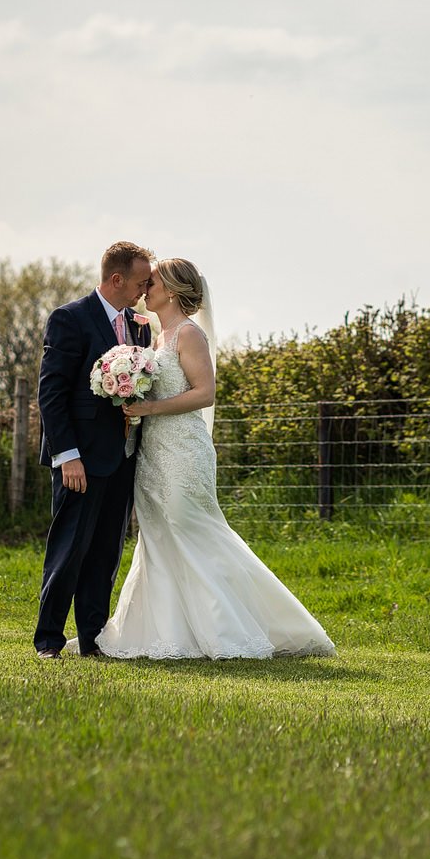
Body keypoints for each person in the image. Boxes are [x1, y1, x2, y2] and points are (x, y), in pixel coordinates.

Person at [95, 257, 336, 659]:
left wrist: (151, 410)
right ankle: (166, 633)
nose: (145, 287)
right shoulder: (155, 338)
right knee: (158, 537)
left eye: (152, 282)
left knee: (193, 533)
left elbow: (204, 393)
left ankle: (231, 629)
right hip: (153, 453)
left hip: (183, 453)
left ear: (171, 290)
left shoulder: (188, 335)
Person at [32, 241, 156, 658]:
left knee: (105, 553)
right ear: (116, 279)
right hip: (79, 460)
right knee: (69, 550)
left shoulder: (139, 326)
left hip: (122, 456)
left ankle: (93, 640)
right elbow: (51, 393)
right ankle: (48, 640)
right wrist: (66, 456)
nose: (145, 288)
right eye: (141, 281)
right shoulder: (70, 318)